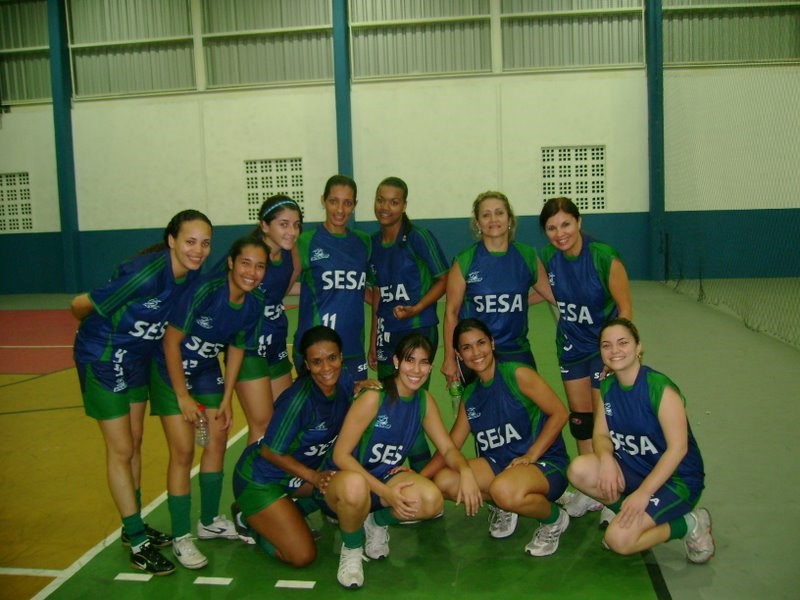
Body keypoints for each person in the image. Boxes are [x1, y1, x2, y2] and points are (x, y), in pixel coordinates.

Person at [71, 209, 213, 576]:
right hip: (103, 357)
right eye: (190, 241)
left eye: (205, 243)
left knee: (134, 443)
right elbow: (79, 305)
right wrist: (102, 326)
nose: (198, 250)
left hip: (136, 360)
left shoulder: (189, 276)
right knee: (120, 449)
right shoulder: (146, 273)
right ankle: (137, 542)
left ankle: (131, 526)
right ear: (172, 240)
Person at [322, 333, 482, 589]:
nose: (417, 370)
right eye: (410, 361)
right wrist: (386, 491)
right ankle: (352, 549)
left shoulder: (424, 401)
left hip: (383, 481)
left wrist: (465, 471)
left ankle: (376, 522)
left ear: (430, 366)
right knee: (354, 486)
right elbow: (340, 455)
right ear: (396, 362)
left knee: (432, 500)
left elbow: (448, 449)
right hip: (343, 485)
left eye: (423, 362)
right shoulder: (374, 397)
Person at [150, 236, 268, 570]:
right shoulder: (205, 290)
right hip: (168, 371)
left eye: (260, 266)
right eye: (246, 263)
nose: (252, 272)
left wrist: (228, 397)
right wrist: (183, 397)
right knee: (184, 451)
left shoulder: (253, 304)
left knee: (217, 436)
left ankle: (209, 520)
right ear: (231, 262)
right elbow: (171, 343)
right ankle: (180, 537)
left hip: (203, 370)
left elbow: (235, 350)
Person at [566, 318, 714, 563]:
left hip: (677, 479)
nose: (615, 351)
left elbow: (678, 448)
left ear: (638, 347)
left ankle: (689, 523)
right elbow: (601, 435)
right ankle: (630, 515)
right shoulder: (608, 387)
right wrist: (606, 459)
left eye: (623, 343)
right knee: (579, 470)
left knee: (619, 541)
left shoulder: (660, 388)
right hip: (635, 469)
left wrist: (645, 492)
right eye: (607, 345)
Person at [424, 318, 571, 556]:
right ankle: (506, 505)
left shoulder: (517, 374)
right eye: (466, 347)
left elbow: (559, 413)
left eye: (480, 343)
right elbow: (449, 448)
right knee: (444, 481)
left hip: (544, 462)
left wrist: (531, 455)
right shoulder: (470, 396)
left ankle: (554, 519)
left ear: (492, 343)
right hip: (501, 465)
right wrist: (421, 478)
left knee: (504, 490)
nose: (476, 352)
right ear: (459, 355)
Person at [538, 197, 633, 520]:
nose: (559, 233)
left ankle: (613, 490)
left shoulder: (604, 257)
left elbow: (625, 310)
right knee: (581, 422)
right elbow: (544, 292)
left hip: (601, 349)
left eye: (565, 224)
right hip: (571, 346)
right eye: (551, 228)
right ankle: (588, 490)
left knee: (603, 422)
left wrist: (617, 354)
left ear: (578, 222)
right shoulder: (550, 258)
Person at [231, 326, 354, 567]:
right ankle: (250, 520)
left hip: (293, 480)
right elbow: (269, 450)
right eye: (317, 362)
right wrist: (314, 477)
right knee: (302, 556)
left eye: (332, 358)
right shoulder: (298, 400)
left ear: (341, 356)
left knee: (347, 484)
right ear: (307, 365)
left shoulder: (346, 382)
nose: (327, 368)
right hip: (260, 480)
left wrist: (366, 388)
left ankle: (286, 510)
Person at [367, 176, 449, 470]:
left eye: (393, 201)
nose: (385, 207)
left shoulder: (418, 237)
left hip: (419, 329)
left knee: (411, 400)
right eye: (380, 199)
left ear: (403, 205)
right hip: (388, 334)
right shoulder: (373, 243)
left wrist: (417, 308)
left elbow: (444, 280)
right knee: (391, 402)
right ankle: (402, 470)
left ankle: (424, 472)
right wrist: (373, 342)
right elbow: (377, 296)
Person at [441, 191, 554, 386]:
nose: (493, 219)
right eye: (486, 215)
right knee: (481, 413)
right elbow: (451, 313)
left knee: (526, 412)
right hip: (477, 354)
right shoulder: (465, 261)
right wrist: (449, 358)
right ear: (477, 223)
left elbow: (553, 294)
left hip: (517, 351)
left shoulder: (526, 256)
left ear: (509, 219)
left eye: (499, 213)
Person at [235, 194, 303, 444]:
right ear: (265, 225)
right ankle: (252, 482)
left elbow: (285, 285)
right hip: (249, 348)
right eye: (283, 224)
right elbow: (216, 291)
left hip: (275, 343)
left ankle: (274, 479)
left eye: (296, 225)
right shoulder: (250, 257)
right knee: (262, 425)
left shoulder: (286, 253)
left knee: (283, 419)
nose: (292, 231)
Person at [293, 175, 371, 381]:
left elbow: (370, 292)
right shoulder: (305, 241)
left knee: (356, 412)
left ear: (355, 205)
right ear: (323, 201)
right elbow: (283, 285)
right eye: (333, 201)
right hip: (315, 350)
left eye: (347, 203)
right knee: (317, 412)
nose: (340, 209)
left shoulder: (364, 243)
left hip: (353, 349)